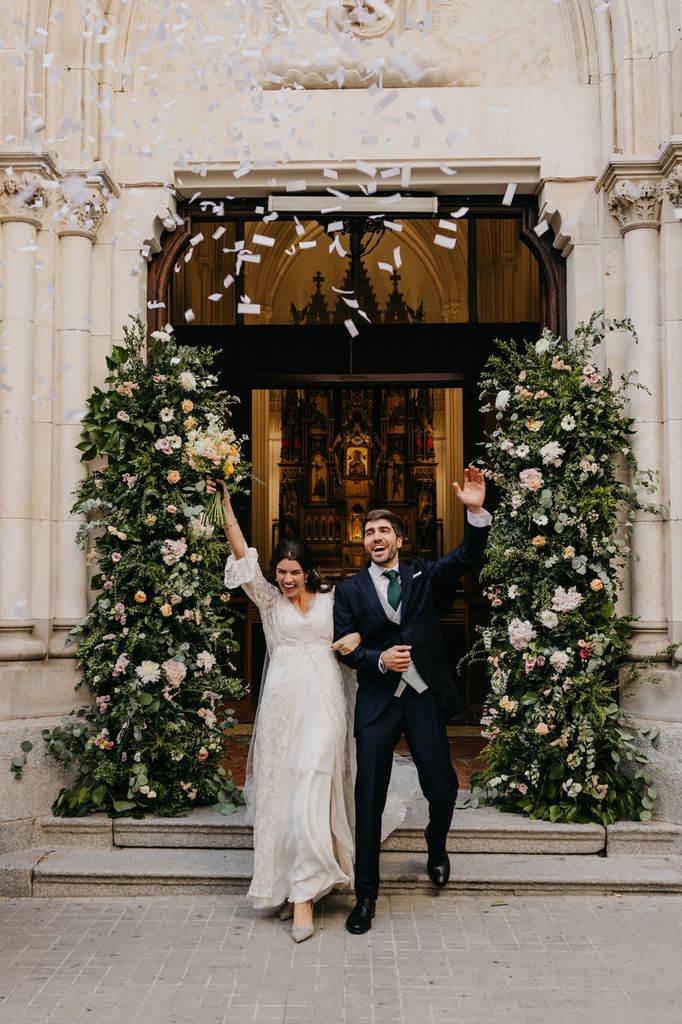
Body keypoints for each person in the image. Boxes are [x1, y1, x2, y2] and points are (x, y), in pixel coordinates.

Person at [333, 466, 491, 935]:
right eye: (369, 532)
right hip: (379, 703)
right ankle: (366, 898)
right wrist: (379, 660)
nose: (375, 537)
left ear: (399, 540)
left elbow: (466, 556)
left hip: (423, 699)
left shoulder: (424, 573)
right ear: (363, 543)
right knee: (369, 798)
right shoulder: (350, 590)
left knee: (441, 787)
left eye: (384, 531)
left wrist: (476, 511)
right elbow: (346, 648)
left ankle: (436, 846)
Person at [208, 478, 359, 943]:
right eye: (281, 571)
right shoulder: (269, 602)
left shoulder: (336, 601)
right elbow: (241, 554)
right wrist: (225, 507)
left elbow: (364, 628)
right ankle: (291, 885)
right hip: (280, 704)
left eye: (294, 571)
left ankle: (304, 896)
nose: (286, 578)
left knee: (314, 780)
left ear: (309, 571)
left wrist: (355, 640)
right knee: (284, 791)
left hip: (325, 701)